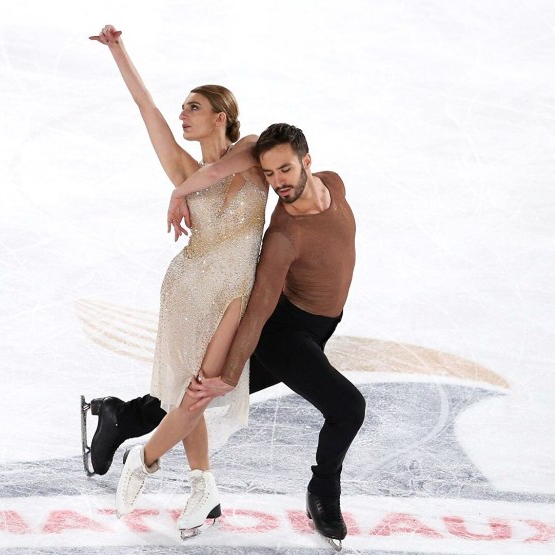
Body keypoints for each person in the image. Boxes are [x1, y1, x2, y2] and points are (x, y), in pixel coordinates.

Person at [88, 123, 366, 547]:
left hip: (321, 326)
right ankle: (323, 492)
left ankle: (122, 416)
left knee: (198, 393)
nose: (278, 182)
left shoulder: (335, 185)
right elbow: (258, 313)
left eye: (285, 169)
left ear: (307, 162)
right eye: (269, 174)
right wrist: (232, 372)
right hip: (284, 335)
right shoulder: (283, 238)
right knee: (347, 407)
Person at [88, 25, 268, 538]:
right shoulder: (184, 167)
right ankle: (200, 484)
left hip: (234, 292)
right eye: (183, 108)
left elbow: (218, 173)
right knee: (192, 392)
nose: (183, 115)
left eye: (193, 107)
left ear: (221, 116)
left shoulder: (252, 149)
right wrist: (119, 50)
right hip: (188, 288)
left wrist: (178, 192)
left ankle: (144, 460)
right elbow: (146, 108)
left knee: (198, 393)